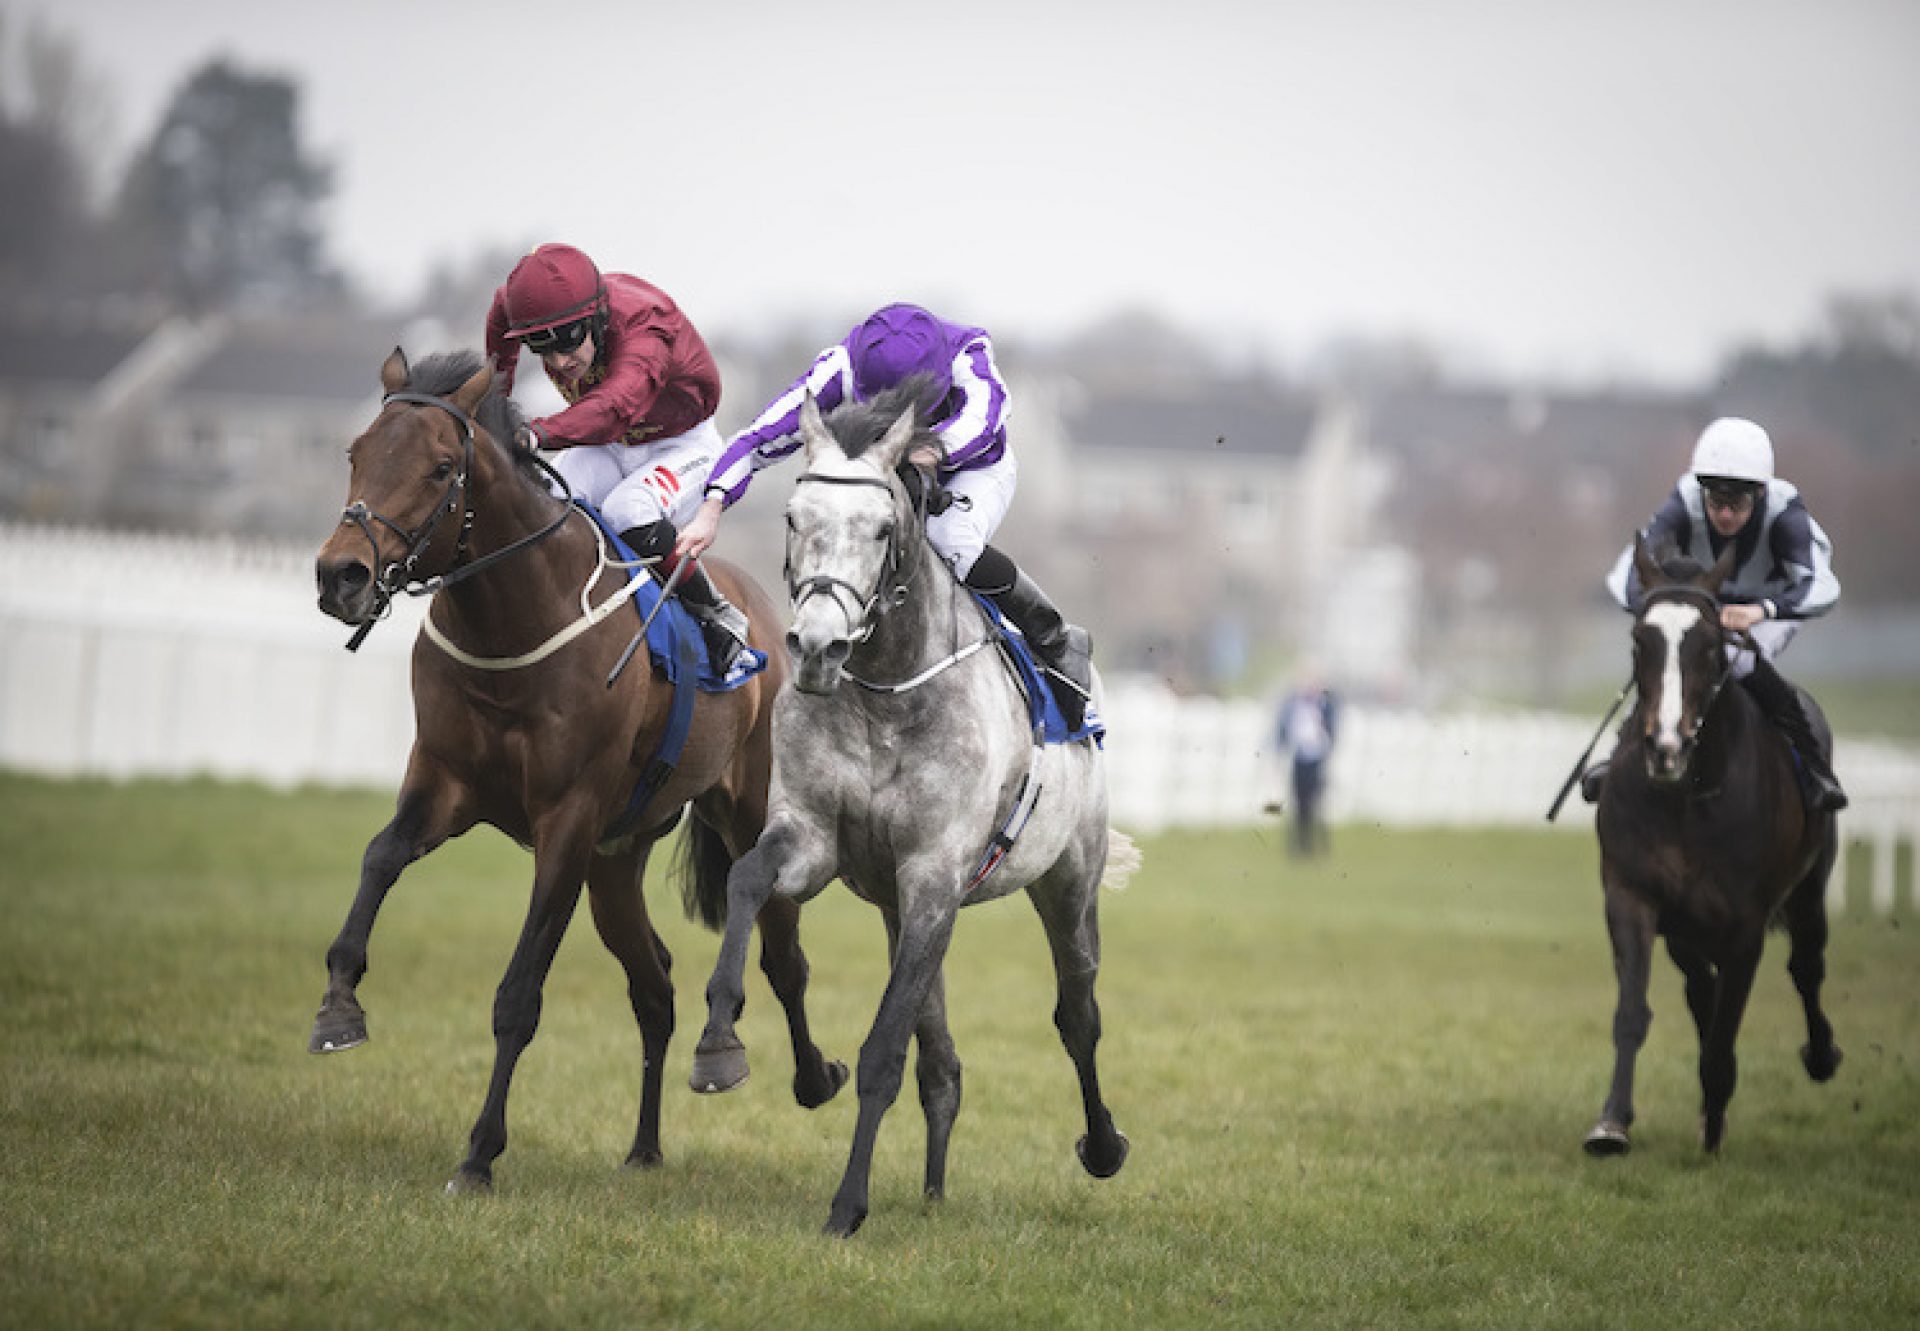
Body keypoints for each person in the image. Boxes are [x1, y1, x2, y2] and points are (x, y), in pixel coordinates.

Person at [675, 302, 1094, 726]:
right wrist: (712, 505)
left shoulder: (968, 352)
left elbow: (986, 417)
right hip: (877, 469)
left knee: (951, 540)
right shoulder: (840, 364)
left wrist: (932, 450)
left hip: (970, 469)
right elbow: (759, 436)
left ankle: (1054, 637)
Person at [484, 243, 749, 670]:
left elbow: (614, 408)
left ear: (596, 317)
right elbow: (500, 321)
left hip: (681, 443)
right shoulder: (516, 306)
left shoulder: (645, 327)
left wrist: (537, 435)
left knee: (628, 509)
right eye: (541, 348)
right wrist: (491, 404)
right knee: (543, 499)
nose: (559, 360)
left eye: (567, 342)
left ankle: (715, 611)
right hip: (609, 442)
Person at [1587, 415, 1846, 810]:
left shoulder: (1784, 511)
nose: (1724, 515)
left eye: (1737, 503)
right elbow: (1626, 572)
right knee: (1672, 652)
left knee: (1738, 664)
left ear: (1759, 493)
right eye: (1716, 501)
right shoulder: (1684, 499)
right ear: (1701, 490)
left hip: (1774, 606)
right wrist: (1659, 612)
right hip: (1710, 603)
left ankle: (1812, 767)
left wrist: (1761, 611)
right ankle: (1622, 755)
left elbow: (1823, 588)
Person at [1275, 672, 1339, 857]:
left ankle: (1321, 845)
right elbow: (1284, 730)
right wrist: (1279, 753)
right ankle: (1300, 846)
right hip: (1299, 758)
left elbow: (1332, 727)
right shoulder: (1293, 706)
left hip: (1317, 759)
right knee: (1299, 804)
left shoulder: (1325, 705)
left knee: (1318, 804)